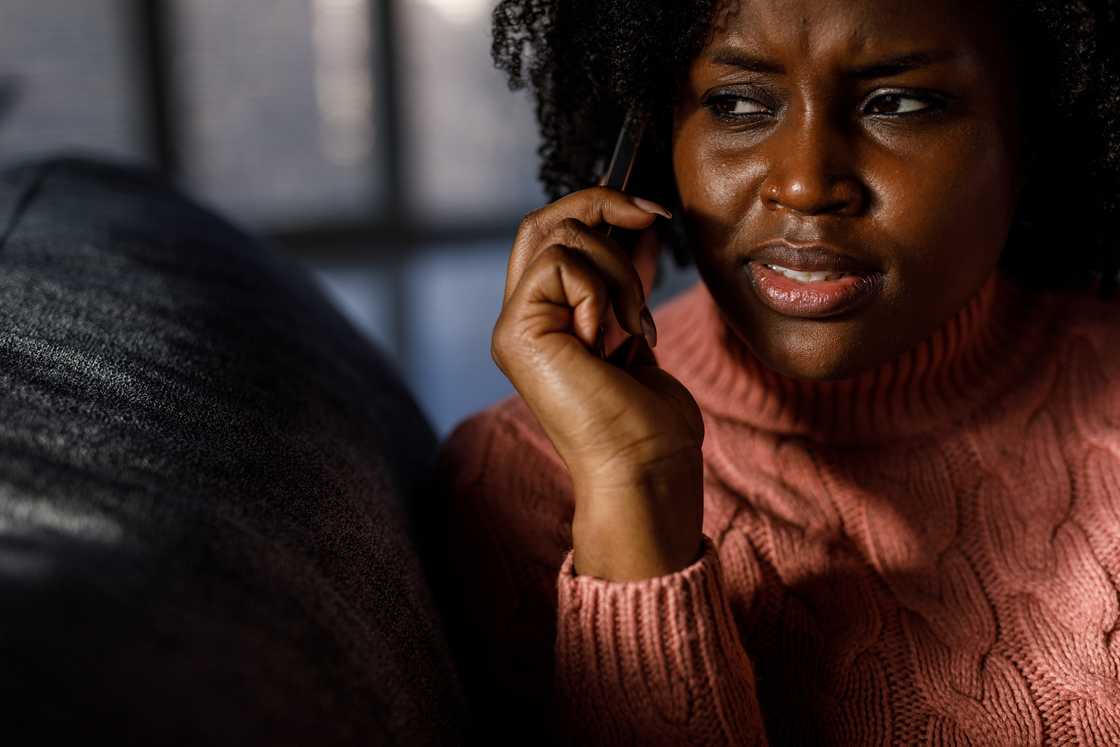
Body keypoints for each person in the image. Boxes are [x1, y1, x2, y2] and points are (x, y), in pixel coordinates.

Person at [426, 0, 1120, 743]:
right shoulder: (519, 485)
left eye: (898, 103)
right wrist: (631, 492)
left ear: (1035, 131)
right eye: (736, 104)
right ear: (653, 139)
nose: (805, 182)